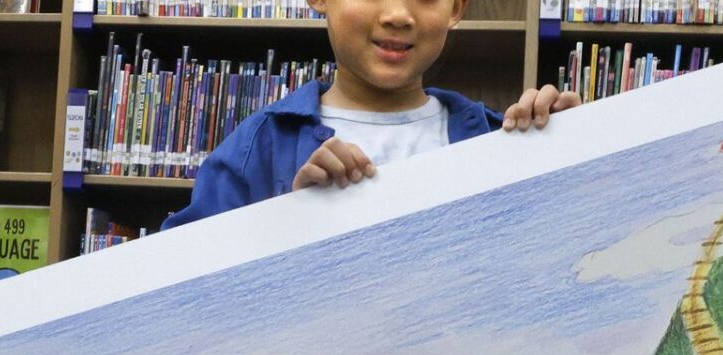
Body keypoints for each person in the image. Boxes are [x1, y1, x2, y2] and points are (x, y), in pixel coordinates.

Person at [161, 0, 580, 229]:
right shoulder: (258, 148)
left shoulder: (496, 143)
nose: (397, 14)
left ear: (457, 8)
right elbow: (181, 289)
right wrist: (289, 221)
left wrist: (577, 163)